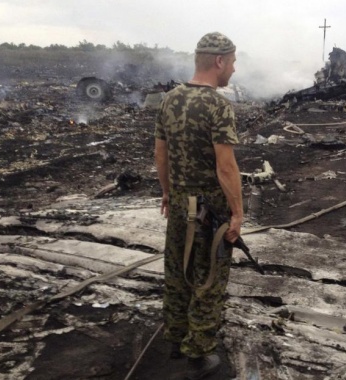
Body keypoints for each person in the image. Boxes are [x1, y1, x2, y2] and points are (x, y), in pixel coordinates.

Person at [154, 32, 242, 380]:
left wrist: (166, 192)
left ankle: (176, 340)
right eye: (232, 62)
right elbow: (226, 167)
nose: (234, 70)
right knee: (207, 279)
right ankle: (199, 356)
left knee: (177, 272)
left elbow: (160, 154)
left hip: (177, 203)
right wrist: (237, 213)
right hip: (209, 212)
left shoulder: (169, 99)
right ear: (219, 61)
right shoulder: (219, 106)